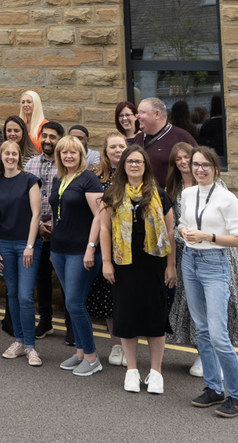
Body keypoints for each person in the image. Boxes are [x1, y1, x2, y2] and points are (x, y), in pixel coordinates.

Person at [178, 147, 238, 418]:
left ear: (215, 168)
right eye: (196, 165)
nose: (200, 169)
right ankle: (213, 388)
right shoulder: (187, 194)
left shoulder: (226, 198)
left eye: (205, 165)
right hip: (190, 260)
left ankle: (237, 397)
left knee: (219, 334)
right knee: (202, 329)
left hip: (214, 263)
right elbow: (182, 224)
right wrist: (184, 231)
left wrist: (208, 236)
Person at [99, 144, 177, 395]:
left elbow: (170, 232)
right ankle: (131, 370)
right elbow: (104, 229)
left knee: (156, 316)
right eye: (130, 161)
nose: (134, 165)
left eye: (139, 161)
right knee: (126, 315)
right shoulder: (113, 193)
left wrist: (171, 266)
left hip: (153, 263)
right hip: (124, 264)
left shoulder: (159, 194)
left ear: (146, 166)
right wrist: (106, 262)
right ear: (123, 165)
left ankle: (156, 372)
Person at [47, 135, 106, 376]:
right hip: (59, 250)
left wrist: (91, 247)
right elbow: (55, 213)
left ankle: (92, 358)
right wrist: (52, 247)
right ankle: (80, 352)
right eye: (64, 152)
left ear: (81, 155)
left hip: (81, 251)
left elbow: (100, 215)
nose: (68, 156)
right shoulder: (58, 178)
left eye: (73, 152)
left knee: (74, 303)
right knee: (72, 303)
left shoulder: (88, 178)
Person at [0, 138, 43, 364]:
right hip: (4, 244)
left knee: (25, 296)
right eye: (7, 153)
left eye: (14, 154)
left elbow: (36, 214)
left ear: (19, 157)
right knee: (12, 293)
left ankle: (31, 347)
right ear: (1, 157)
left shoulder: (30, 180)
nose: (10, 157)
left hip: (27, 245)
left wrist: (30, 245)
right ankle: (19, 341)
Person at [89, 131, 129, 364]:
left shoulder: (135, 173)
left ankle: (128, 345)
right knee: (108, 295)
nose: (117, 151)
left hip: (130, 245)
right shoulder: (97, 177)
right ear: (105, 151)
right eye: (113, 147)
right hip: (105, 243)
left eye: (121, 146)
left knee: (127, 297)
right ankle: (116, 345)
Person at [24, 118, 62, 338]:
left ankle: (71, 327)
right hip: (37, 231)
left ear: (60, 139)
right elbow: (24, 199)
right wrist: (38, 225)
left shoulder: (67, 163)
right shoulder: (30, 165)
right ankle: (45, 321)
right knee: (42, 279)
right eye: (44, 136)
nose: (47, 140)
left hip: (61, 232)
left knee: (66, 281)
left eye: (52, 137)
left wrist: (56, 225)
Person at [134, 96, 197, 182]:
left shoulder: (181, 137)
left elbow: (197, 165)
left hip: (170, 190)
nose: (137, 116)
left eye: (142, 112)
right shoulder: (138, 138)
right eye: (138, 112)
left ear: (157, 114)